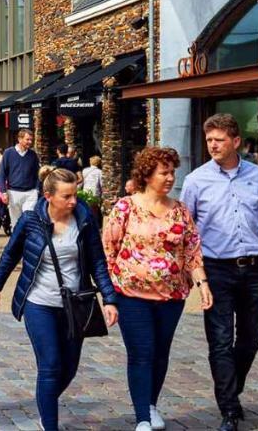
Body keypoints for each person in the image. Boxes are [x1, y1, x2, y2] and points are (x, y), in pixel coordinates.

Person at [181, 113, 258, 431]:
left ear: (236, 142)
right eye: (208, 140)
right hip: (216, 269)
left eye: (218, 140)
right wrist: (195, 273)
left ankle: (232, 389)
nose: (213, 145)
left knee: (250, 339)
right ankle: (229, 410)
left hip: (256, 268)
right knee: (219, 341)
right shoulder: (196, 181)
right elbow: (188, 231)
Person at [0, 168, 118, 431]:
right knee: (50, 366)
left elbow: (98, 263)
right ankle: (50, 425)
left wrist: (110, 299)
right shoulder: (30, 220)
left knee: (68, 368)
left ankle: (45, 401)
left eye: (75, 195)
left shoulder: (85, 220)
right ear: (48, 196)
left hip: (75, 305)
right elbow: (10, 255)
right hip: (39, 303)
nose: (73, 201)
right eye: (67, 196)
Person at [104, 147, 213, 431]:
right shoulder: (125, 208)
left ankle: (151, 404)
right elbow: (108, 251)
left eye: (172, 172)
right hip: (131, 296)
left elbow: (192, 253)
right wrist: (109, 296)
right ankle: (142, 418)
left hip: (171, 297)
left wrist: (202, 284)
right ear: (147, 174)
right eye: (163, 172)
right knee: (142, 352)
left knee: (160, 352)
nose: (169, 178)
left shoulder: (180, 211)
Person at [0, 129, 41, 227]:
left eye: (31, 140)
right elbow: (2, 174)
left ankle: (27, 242)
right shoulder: (8, 153)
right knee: (16, 223)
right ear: (20, 139)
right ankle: (17, 242)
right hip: (13, 193)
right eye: (27, 139)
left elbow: (38, 174)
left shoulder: (33, 155)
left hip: (30, 194)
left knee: (29, 220)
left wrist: (37, 190)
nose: (30, 142)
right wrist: (3, 192)